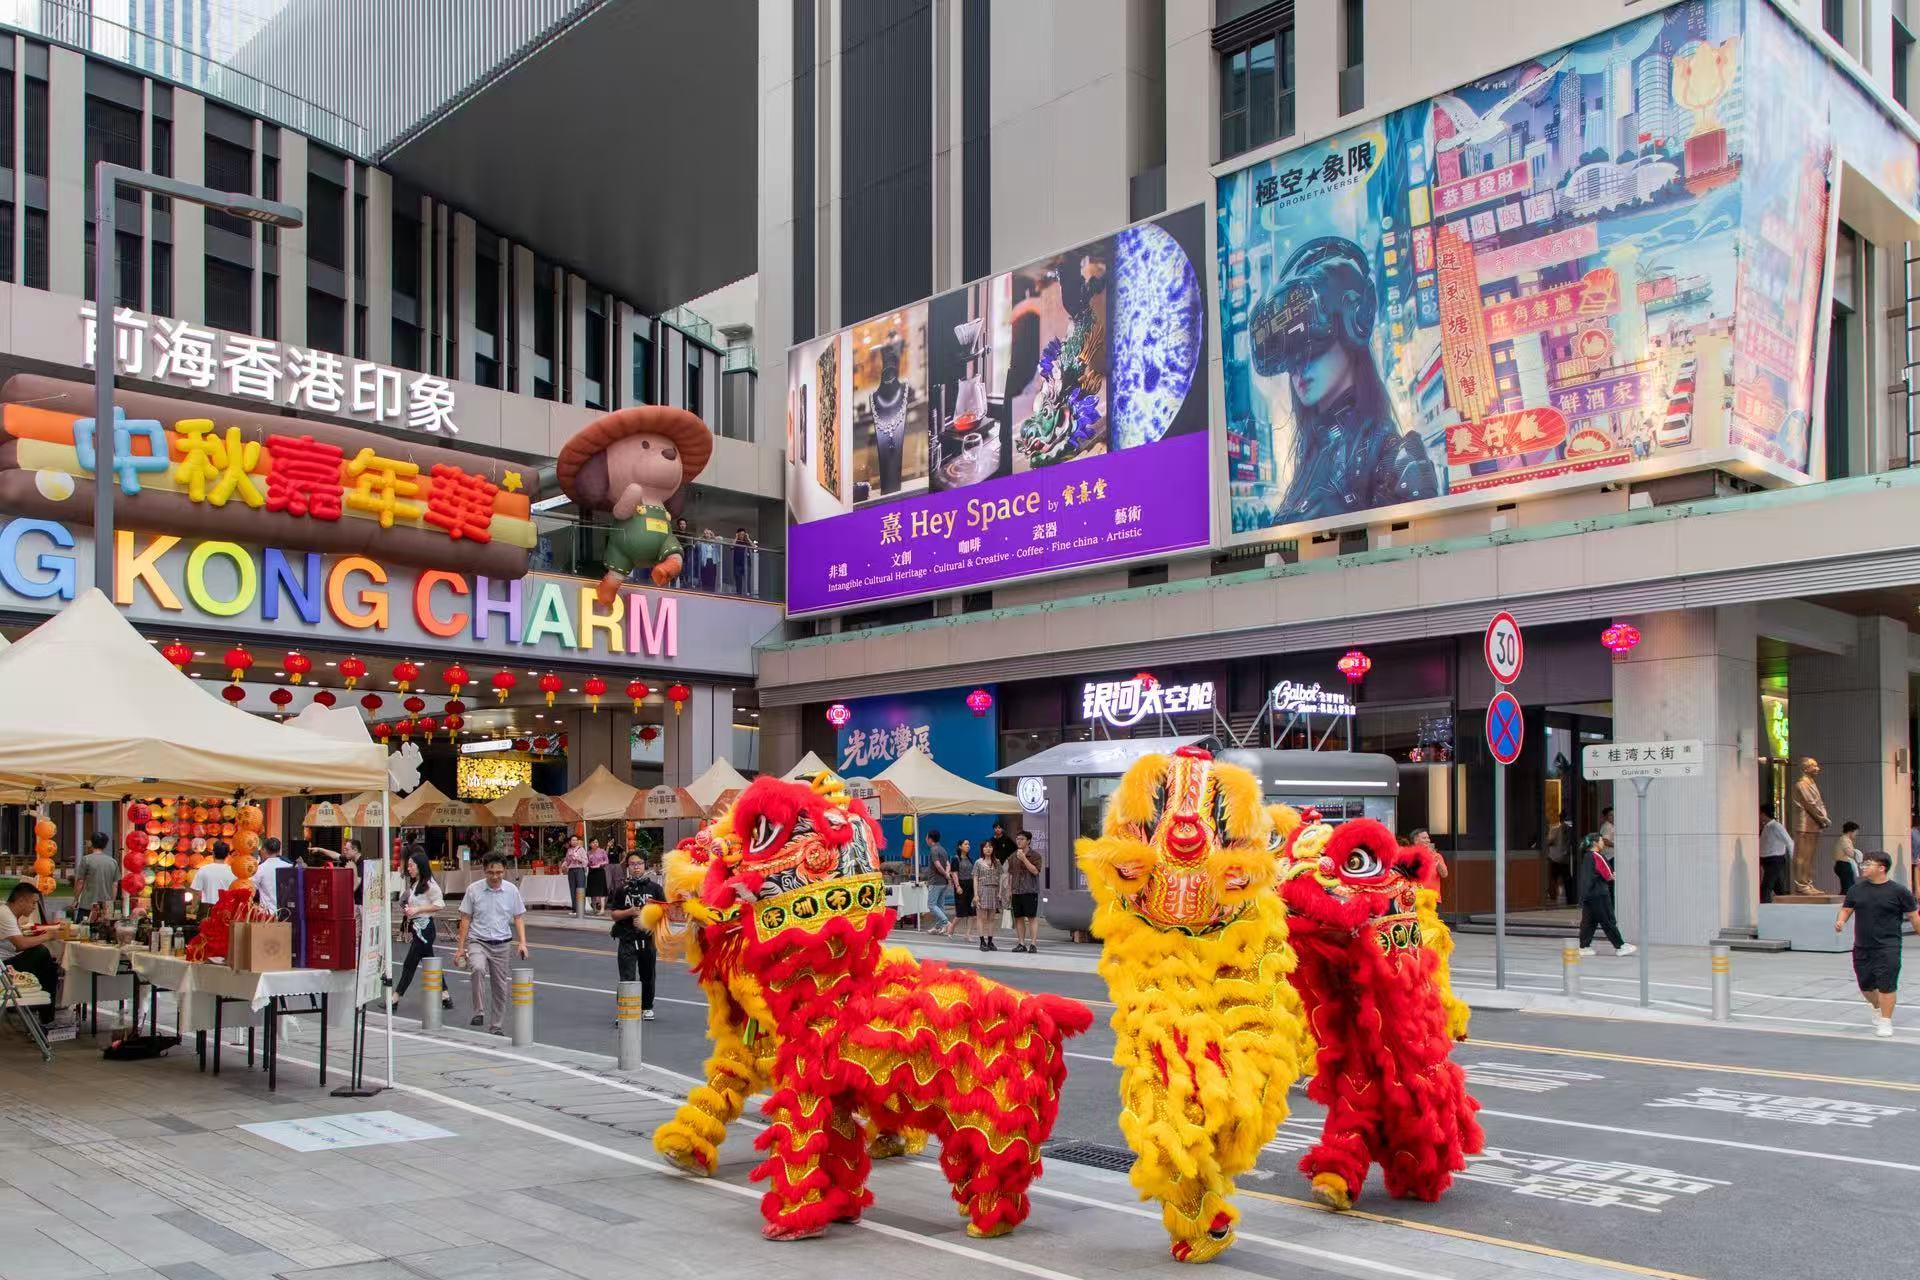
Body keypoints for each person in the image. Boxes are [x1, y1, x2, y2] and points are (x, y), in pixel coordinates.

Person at [1247, 237, 1438, 525]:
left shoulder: (1394, 459)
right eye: (1290, 359)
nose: (1298, 369)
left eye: (1311, 347)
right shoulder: (1310, 460)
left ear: (1353, 323)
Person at [1835, 851, 1920, 1038]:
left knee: (1887, 984)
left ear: (1882, 868)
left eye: (1868, 864)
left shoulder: (1899, 891)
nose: (1863, 866)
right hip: (1862, 945)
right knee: (1865, 985)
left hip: (1889, 945)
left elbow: (1914, 916)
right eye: (1864, 863)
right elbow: (1846, 909)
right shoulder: (1856, 890)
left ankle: (1885, 1022)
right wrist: (1841, 921)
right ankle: (1876, 1006)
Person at [456, 853, 529, 1035]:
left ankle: (496, 1025)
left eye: (499, 872)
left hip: (502, 944)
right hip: (478, 941)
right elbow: (465, 918)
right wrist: (460, 949)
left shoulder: (512, 890)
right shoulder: (474, 890)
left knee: (500, 986)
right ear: (484, 871)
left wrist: (522, 942)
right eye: (491, 872)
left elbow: (518, 916)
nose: (495, 876)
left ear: (505, 871)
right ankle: (478, 1011)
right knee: (478, 968)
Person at [393, 850, 453, 1010]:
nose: (409, 869)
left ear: (420, 866)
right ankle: (445, 996)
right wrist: (408, 909)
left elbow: (440, 904)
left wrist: (418, 910)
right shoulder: (415, 884)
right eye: (409, 866)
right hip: (417, 928)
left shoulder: (430, 885)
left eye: (412, 865)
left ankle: (395, 998)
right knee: (430, 961)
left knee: (409, 963)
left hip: (425, 929)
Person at [609, 851, 665, 1020]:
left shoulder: (655, 889)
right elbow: (614, 914)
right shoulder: (621, 889)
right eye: (632, 864)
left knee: (648, 974)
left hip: (648, 938)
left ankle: (647, 1007)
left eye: (639, 863)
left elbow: (664, 912)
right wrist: (629, 912)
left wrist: (646, 922)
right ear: (628, 867)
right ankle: (625, 1009)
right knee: (627, 975)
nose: (636, 867)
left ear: (645, 865)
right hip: (627, 938)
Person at [0, 883, 62, 1026]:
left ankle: (45, 1014)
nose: (34, 907)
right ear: (21, 900)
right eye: (33, 903)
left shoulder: (7, 912)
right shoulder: (5, 914)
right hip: (4, 967)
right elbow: (21, 945)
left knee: (48, 966)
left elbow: (15, 946)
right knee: (42, 953)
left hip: (6, 961)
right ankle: (46, 1017)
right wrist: (48, 935)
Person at [1576, 833, 1636, 957]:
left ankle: (1584, 947)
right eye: (1601, 840)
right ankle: (1620, 946)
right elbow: (1609, 875)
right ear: (1595, 843)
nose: (1603, 843)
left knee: (1589, 922)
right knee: (1608, 920)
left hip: (1588, 895)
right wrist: (1612, 876)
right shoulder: (1597, 856)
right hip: (1600, 894)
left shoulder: (1586, 856)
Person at [1008, 829, 1042, 954]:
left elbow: (1035, 871)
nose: (1019, 841)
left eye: (1022, 839)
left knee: (1031, 917)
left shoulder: (1035, 856)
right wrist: (1008, 890)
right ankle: (1021, 943)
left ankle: (1033, 944)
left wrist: (1024, 859)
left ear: (1028, 841)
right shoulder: (1013, 856)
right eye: (1017, 839)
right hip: (1016, 891)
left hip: (1030, 890)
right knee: (1018, 918)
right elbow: (1010, 874)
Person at [73, 832, 120, 917]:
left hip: (87, 904)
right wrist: (111, 903)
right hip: (106, 905)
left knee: (84, 928)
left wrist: (75, 899)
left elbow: (80, 882)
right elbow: (115, 885)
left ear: (91, 843)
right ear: (105, 845)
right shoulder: (113, 862)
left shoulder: (86, 859)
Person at [922, 828, 955, 937]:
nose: (925, 839)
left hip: (935, 881)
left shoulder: (934, 850)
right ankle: (938, 927)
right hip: (943, 882)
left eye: (926, 837)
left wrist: (945, 874)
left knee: (931, 905)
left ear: (930, 839)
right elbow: (947, 864)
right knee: (940, 906)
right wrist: (947, 874)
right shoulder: (943, 850)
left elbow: (937, 865)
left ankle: (946, 923)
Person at [1759, 803, 1794, 903]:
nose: (1759, 816)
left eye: (1760, 814)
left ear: (1764, 814)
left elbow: (1789, 841)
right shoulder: (1767, 827)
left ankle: (1765, 909)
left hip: (1775, 861)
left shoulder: (1776, 826)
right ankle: (1785, 906)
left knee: (1766, 887)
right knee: (1778, 888)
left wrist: (1793, 859)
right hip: (1768, 861)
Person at [190, 840, 236, 914]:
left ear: (213, 854)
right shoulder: (233, 872)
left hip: (206, 910)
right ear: (227, 855)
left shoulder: (203, 869)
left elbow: (196, 892)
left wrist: (193, 908)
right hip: (226, 910)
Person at [974, 841, 1004, 952]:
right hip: (982, 890)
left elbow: (1001, 877)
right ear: (982, 849)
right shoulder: (978, 862)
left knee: (992, 918)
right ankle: (982, 942)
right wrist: (976, 894)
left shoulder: (997, 862)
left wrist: (1000, 892)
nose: (988, 849)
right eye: (986, 847)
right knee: (981, 918)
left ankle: (990, 941)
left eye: (990, 846)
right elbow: (975, 878)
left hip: (994, 891)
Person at [252, 838, 290, 916]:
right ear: (279, 851)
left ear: (264, 850)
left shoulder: (260, 869)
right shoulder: (289, 867)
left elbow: (251, 888)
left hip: (267, 915)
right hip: (286, 914)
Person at [1544, 817, 1573, 906]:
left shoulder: (1555, 830)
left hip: (1556, 857)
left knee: (1555, 878)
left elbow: (1549, 841)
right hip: (1561, 858)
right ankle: (1568, 898)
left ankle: (1555, 896)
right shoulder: (1565, 830)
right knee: (1562, 878)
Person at [953, 837, 976, 937]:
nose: (968, 846)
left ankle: (968, 934)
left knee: (972, 912)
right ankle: (951, 928)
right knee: (960, 912)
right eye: (966, 844)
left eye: (969, 844)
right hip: (961, 885)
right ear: (960, 846)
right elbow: (954, 873)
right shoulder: (955, 858)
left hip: (970, 886)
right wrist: (957, 886)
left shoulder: (970, 859)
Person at [561, 835, 588, 916]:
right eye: (573, 840)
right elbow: (567, 861)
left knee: (580, 889)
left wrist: (578, 858)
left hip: (579, 870)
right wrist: (564, 864)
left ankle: (581, 909)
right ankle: (574, 909)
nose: (575, 841)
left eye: (576, 840)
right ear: (570, 841)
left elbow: (586, 862)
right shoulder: (569, 850)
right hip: (571, 871)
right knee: (572, 889)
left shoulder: (581, 849)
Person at [1835, 821, 1863, 895]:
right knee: (1848, 887)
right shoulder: (1845, 840)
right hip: (1843, 865)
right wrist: (1855, 852)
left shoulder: (1844, 839)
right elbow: (1849, 853)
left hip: (1842, 864)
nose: (1856, 835)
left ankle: (1847, 903)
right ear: (1850, 831)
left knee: (1847, 886)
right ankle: (1848, 904)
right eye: (1855, 832)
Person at [586, 838, 611, 915]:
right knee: (593, 891)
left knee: (601, 891)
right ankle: (594, 909)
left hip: (600, 872)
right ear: (590, 844)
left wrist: (600, 864)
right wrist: (589, 864)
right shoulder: (588, 853)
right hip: (592, 872)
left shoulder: (602, 851)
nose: (595, 843)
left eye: (596, 842)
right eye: (593, 842)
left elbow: (607, 861)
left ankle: (602, 909)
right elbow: (586, 863)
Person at [731, 528, 755, 596]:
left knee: (747, 579)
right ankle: (739, 594)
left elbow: (754, 547)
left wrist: (748, 538)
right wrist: (736, 537)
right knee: (738, 579)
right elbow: (732, 546)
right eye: (740, 534)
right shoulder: (736, 542)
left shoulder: (746, 542)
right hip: (737, 564)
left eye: (743, 534)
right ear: (738, 534)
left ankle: (748, 593)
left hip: (747, 564)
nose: (742, 536)